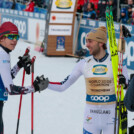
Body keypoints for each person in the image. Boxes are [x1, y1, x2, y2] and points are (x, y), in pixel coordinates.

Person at [41, 26, 128, 134]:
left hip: (112, 120)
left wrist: (124, 83)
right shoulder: (83, 63)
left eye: (90, 41)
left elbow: (127, 89)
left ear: (100, 43)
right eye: (86, 41)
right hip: (90, 121)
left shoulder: (116, 62)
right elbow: (63, 86)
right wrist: (46, 84)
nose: (86, 45)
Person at [0, 21, 47, 134]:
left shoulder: (3, 52)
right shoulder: (2, 54)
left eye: (16, 37)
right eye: (11, 36)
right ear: (1, 38)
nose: (15, 40)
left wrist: (19, 65)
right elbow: (10, 89)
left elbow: (5, 78)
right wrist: (33, 88)